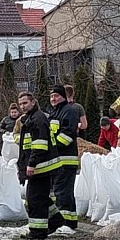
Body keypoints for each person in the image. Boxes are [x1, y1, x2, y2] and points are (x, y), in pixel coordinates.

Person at [16, 92, 65, 239]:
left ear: (33, 102)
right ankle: (55, 219)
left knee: (34, 199)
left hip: (40, 167)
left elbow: (39, 145)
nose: (22, 106)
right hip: (42, 166)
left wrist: (31, 165)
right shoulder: (33, 118)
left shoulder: (37, 119)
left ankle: (38, 231)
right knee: (41, 197)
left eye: (25, 103)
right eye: (20, 104)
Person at [49, 85, 79, 230]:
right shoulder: (55, 113)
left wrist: (51, 148)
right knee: (60, 191)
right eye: (51, 96)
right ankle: (68, 221)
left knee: (62, 192)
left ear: (63, 97)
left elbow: (67, 136)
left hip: (66, 159)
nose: (53, 99)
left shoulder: (69, 112)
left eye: (56, 96)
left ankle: (65, 224)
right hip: (58, 160)